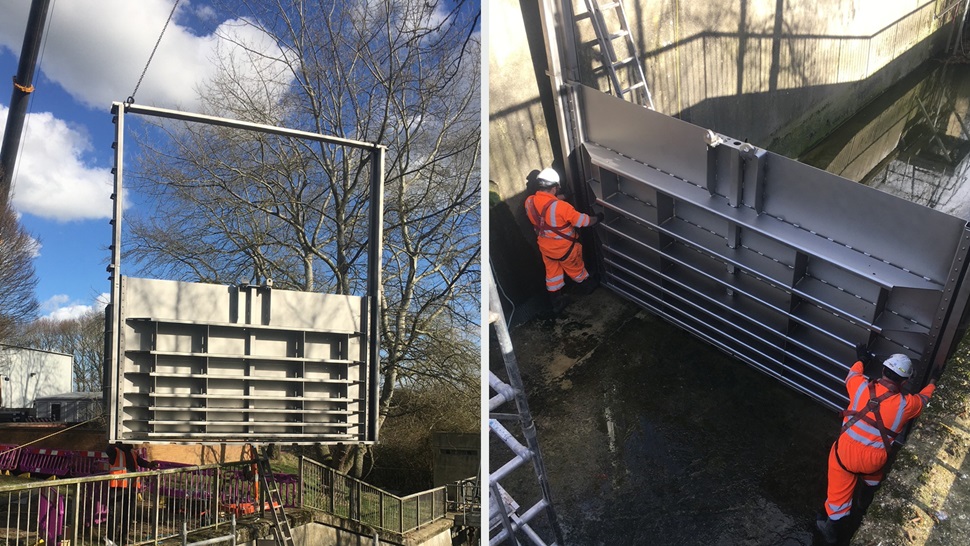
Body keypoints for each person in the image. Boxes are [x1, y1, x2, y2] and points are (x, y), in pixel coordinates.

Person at [816, 346, 938, 544]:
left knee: (838, 497)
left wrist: (862, 359)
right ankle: (865, 502)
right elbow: (925, 399)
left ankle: (831, 529)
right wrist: (932, 381)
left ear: (883, 370)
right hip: (873, 462)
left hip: (844, 456)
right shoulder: (906, 405)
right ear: (905, 381)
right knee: (873, 478)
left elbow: (853, 373)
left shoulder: (859, 386)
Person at [524, 167, 601, 313]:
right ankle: (588, 286)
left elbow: (544, 204)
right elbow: (583, 221)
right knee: (577, 270)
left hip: (546, 248)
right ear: (554, 188)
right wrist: (598, 218)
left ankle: (557, 301)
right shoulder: (562, 207)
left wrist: (564, 196)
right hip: (566, 250)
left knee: (553, 275)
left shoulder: (529, 202)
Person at [105, 442, 157, 545]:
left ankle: (123, 538)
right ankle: (110, 540)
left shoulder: (133, 452)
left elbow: (140, 462)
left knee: (128, 515)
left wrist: (149, 464)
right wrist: (113, 439)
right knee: (115, 514)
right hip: (118, 487)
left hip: (131, 488)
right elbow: (108, 450)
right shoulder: (115, 450)